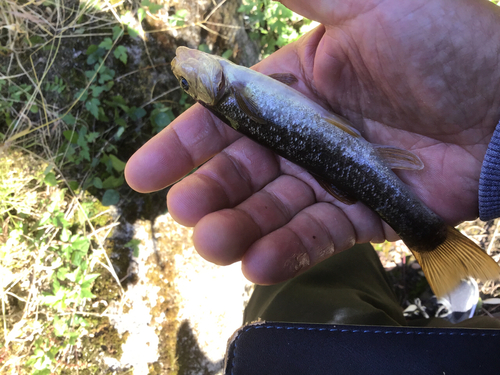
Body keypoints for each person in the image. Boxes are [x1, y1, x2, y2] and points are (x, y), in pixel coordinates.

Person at [125, 0, 500, 369]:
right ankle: (435, 250)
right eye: (185, 82)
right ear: (207, 93)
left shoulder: (233, 90)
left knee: (289, 291)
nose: (184, 66)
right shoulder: (232, 90)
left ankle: (439, 273)